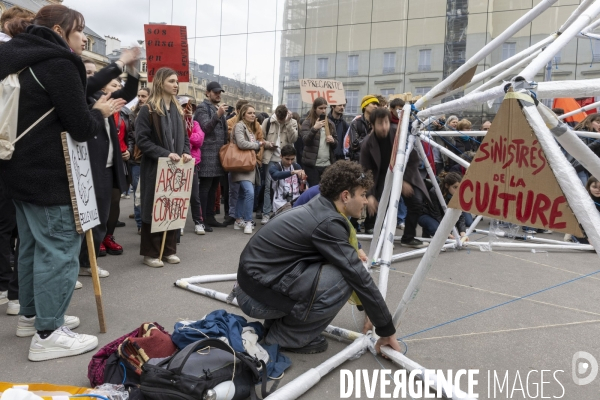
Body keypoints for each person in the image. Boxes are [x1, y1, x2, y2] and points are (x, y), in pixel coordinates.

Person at [0, 3, 124, 361]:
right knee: (57, 248)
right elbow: (81, 127)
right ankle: (49, 332)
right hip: (48, 173)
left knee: (31, 244)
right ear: (59, 31)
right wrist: (98, 111)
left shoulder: (17, 55)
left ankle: (31, 316)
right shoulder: (58, 63)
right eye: (80, 29)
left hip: (16, 168)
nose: (85, 37)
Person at [235, 161, 401, 355]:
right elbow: (357, 275)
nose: (366, 201)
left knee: (334, 270)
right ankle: (284, 337)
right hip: (255, 297)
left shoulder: (321, 207)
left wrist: (369, 310)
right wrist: (386, 329)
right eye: (363, 194)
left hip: (254, 287)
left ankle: (279, 326)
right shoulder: (329, 222)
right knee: (344, 278)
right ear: (346, 196)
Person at [79, 57, 139, 281]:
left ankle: (87, 263)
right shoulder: (76, 98)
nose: (90, 77)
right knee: (82, 222)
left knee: (100, 220)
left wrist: (133, 69)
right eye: (86, 73)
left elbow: (128, 94)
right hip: (85, 168)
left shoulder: (101, 97)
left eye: (94, 73)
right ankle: (73, 265)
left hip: (107, 168)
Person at [136, 67, 192, 268]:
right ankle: (151, 253)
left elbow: (185, 138)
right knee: (155, 207)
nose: (176, 85)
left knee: (172, 206)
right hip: (155, 167)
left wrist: (186, 152)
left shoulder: (178, 109)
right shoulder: (148, 109)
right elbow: (141, 140)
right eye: (171, 81)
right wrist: (165, 153)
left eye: (177, 81)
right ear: (160, 83)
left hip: (176, 167)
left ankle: (168, 250)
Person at [360, 108, 427, 248]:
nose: (384, 127)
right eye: (380, 123)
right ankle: (383, 239)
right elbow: (366, 171)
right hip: (382, 177)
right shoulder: (367, 143)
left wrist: (404, 180)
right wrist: (370, 195)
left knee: (416, 202)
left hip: (405, 174)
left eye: (386, 122)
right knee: (385, 207)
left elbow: (413, 159)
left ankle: (408, 237)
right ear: (372, 125)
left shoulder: (399, 134)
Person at [195, 82, 228, 228]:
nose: (218, 94)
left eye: (220, 92)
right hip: (207, 153)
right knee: (205, 188)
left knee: (214, 187)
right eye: (215, 92)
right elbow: (205, 128)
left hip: (218, 154)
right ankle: (201, 219)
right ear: (207, 92)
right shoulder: (202, 108)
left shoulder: (215, 108)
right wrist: (218, 115)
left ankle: (210, 217)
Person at [231, 105, 266, 234]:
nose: (253, 115)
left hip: (248, 164)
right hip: (242, 164)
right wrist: (258, 144)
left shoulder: (250, 128)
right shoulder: (240, 125)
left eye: (254, 113)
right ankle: (247, 221)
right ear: (243, 114)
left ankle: (238, 220)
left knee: (242, 194)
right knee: (249, 192)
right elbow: (241, 143)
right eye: (250, 113)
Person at [261, 105, 297, 225]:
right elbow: (260, 139)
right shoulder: (268, 121)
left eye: (282, 119)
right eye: (279, 118)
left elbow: (294, 139)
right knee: (268, 186)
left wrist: (288, 123)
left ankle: (286, 212)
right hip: (271, 157)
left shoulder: (292, 122)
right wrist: (268, 144)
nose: (280, 120)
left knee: (288, 185)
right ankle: (266, 213)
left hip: (287, 158)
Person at [419, 172, 469, 240]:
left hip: (441, 215)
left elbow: (459, 215)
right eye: (455, 187)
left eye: (459, 188)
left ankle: (432, 231)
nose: (457, 191)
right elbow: (436, 214)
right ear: (447, 185)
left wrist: (462, 232)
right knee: (439, 231)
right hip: (426, 214)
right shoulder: (434, 192)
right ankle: (427, 230)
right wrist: (446, 233)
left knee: (468, 222)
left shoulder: (456, 194)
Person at [300, 97, 337, 186]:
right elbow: (305, 141)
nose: (323, 111)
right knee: (315, 192)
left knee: (326, 191)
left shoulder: (330, 123)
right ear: (315, 109)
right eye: (320, 108)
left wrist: (333, 141)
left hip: (327, 165)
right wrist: (314, 129)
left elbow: (336, 144)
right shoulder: (307, 122)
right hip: (313, 166)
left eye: (325, 108)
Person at [182, 97, 206, 235]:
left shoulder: (195, 123)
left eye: (190, 107)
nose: (188, 109)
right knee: (179, 196)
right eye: (184, 106)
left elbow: (199, 140)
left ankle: (198, 222)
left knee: (194, 196)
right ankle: (178, 223)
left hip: (192, 164)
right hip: (178, 162)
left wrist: (187, 135)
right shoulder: (176, 123)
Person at [130, 87, 151, 233]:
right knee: (139, 194)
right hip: (137, 159)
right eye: (139, 96)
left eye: (144, 96)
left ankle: (148, 222)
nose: (141, 99)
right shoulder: (132, 114)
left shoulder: (154, 113)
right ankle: (140, 225)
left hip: (150, 158)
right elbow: (131, 137)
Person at [269, 145, 305, 213]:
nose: (290, 162)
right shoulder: (275, 167)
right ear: (281, 156)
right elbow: (276, 175)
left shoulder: (296, 166)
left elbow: (303, 185)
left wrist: (304, 182)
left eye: (292, 159)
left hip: (296, 201)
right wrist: (293, 172)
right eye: (287, 159)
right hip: (280, 203)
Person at [348, 95, 379, 162]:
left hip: (374, 161)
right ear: (365, 106)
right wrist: (369, 135)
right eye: (373, 104)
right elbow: (354, 145)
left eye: (377, 104)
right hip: (359, 162)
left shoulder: (378, 123)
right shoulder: (356, 123)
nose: (376, 106)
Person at [569, 176, 600, 244]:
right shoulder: (585, 201)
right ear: (589, 187)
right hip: (586, 230)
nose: (597, 190)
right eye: (594, 187)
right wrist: (589, 237)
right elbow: (582, 222)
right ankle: (573, 238)